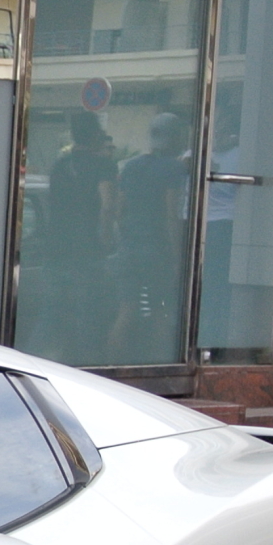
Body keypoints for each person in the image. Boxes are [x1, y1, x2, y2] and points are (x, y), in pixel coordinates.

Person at [112, 110, 192, 363]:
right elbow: (171, 213)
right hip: (157, 250)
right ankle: (161, 364)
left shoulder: (132, 165)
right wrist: (177, 253)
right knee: (160, 311)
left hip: (129, 248)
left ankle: (112, 363)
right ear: (175, 137)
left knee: (127, 311)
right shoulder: (173, 168)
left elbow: (118, 209)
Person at [39, 110, 117, 360]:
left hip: (56, 246)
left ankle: (32, 358)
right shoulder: (103, 165)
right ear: (95, 135)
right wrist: (106, 242)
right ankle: (85, 367)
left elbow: (53, 203)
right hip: (86, 249)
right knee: (88, 313)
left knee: (52, 312)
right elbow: (107, 206)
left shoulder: (59, 165)